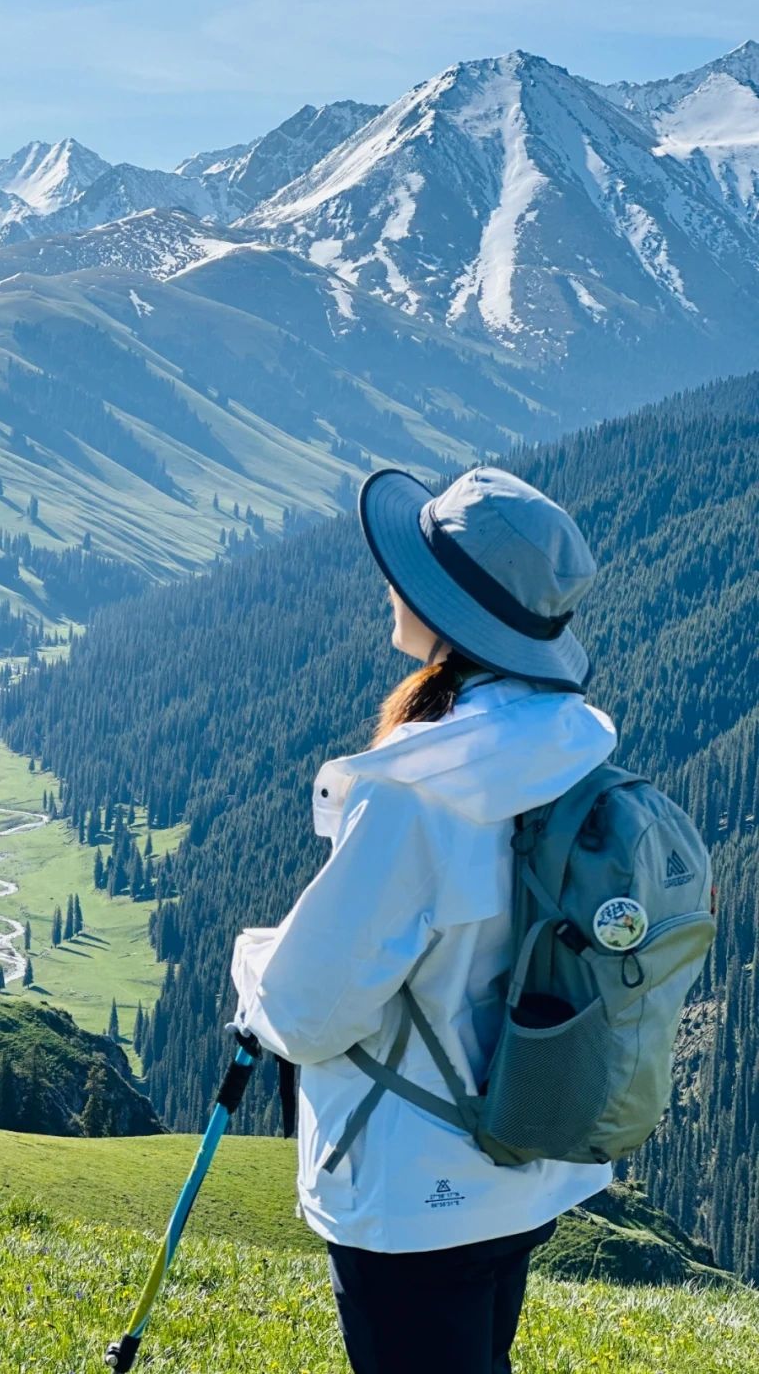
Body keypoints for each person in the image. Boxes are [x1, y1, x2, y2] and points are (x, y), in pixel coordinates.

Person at [230, 465, 618, 1374]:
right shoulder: (565, 747)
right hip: (519, 1162)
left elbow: (310, 1007)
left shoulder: (419, 788)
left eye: (415, 575)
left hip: (412, 1187)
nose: (391, 585)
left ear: (453, 613)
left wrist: (253, 965)